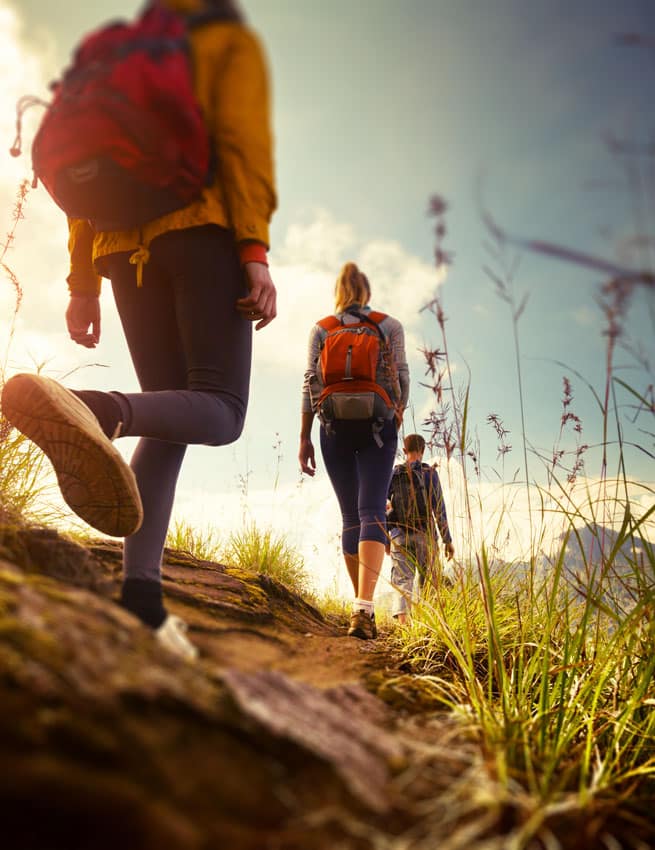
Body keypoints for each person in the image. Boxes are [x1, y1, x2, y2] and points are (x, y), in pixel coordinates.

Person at [1, 0, 277, 660]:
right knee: (221, 409)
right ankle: (96, 410)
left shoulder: (115, 48)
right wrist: (254, 253)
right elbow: (242, 144)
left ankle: (143, 603)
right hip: (201, 234)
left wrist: (81, 283)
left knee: (170, 416)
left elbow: (83, 186)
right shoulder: (222, 41)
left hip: (119, 250)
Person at [298, 262, 409, 640]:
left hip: (333, 429)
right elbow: (402, 377)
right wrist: (395, 417)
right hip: (379, 427)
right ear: (367, 292)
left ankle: (360, 606)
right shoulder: (388, 325)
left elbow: (309, 383)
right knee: (373, 511)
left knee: (350, 517)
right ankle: (364, 605)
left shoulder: (322, 329)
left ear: (338, 293)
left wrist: (305, 437)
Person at [387, 433, 454, 625]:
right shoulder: (430, 473)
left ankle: (404, 625)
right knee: (430, 579)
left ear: (404, 450)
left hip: (399, 535)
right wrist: (447, 540)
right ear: (423, 451)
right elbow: (439, 508)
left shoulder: (393, 474)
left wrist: (385, 538)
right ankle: (429, 624)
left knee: (402, 580)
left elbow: (385, 505)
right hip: (425, 534)